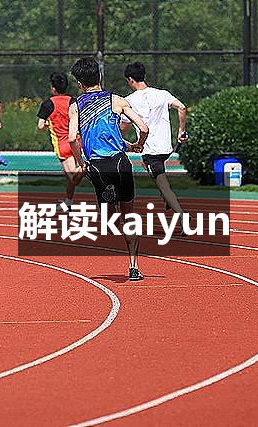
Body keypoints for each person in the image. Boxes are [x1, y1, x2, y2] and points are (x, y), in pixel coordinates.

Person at [68, 57, 149, 281]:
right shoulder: (117, 100)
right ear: (100, 76)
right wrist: (137, 144)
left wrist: (81, 162)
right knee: (129, 216)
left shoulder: (76, 106)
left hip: (97, 166)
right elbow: (143, 127)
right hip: (121, 162)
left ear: (80, 83)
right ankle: (134, 267)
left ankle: (110, 199)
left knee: (108, 219)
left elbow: (72, 139)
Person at [121, 62, 189, 220]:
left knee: (163, 186)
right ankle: (166, 198)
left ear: (130, 80)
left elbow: (124, 126)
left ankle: (182, 215)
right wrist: (181, 131)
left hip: (151, 150)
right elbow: (182, 107)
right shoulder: (162, 94)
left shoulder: (129, 101)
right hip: (166, 148)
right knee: (147, 165)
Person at [37, 72, 79, 211]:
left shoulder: (48, 104)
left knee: (72, 176)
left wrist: (50, 124)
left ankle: (87, 168)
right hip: (77, 141)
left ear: (53, 88)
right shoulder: (73, 101)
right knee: (70, 177)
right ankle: (68, 202)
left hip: (63, 144)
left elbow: (40, 126)